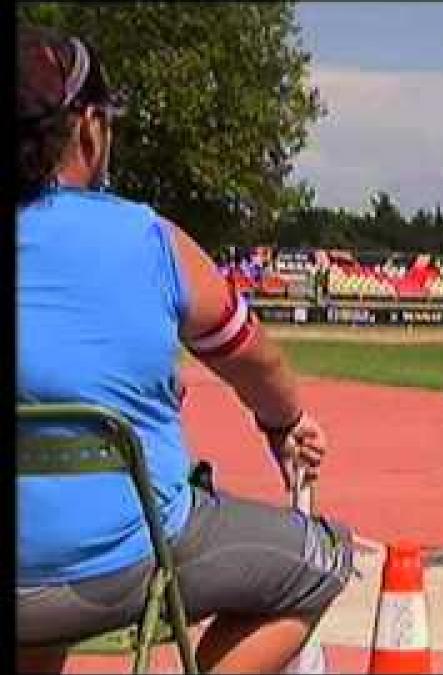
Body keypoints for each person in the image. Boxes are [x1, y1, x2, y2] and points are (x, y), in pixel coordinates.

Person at [16, 27, 353, 673]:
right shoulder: (149, 240)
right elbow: (255, 359)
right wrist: (284, 422)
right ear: (88, 127)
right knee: (319, 561)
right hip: (131, 557)